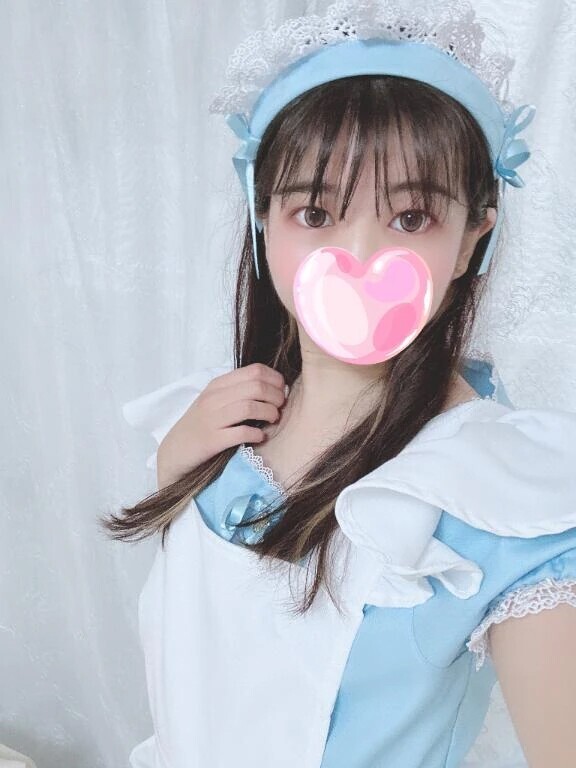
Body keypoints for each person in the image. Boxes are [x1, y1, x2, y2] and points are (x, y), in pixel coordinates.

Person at [100, 1, 576, 766]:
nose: (359, 254)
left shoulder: (501, 499)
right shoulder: (214, 420)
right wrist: (175, 470)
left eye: (412, 218)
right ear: (263, 219)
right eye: (315, 211)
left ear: (471, 239)